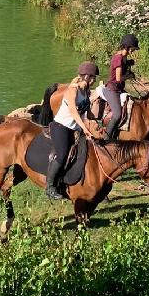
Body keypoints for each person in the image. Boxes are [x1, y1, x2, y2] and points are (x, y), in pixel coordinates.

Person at [47, 62, 100, 200]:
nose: (94, 80)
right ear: (87, 76)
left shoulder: (86, 91)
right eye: (93, 77)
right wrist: (85, 129)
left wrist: (98, 121)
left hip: (75, 128)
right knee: (63, 154)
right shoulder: (73, 91)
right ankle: (50, 186)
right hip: (61, 127)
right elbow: (74, 112)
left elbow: (88, 113)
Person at [102, 33, 139, 139]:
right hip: (112, 90)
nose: (134, 51)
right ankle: (106, 138)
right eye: (133, 48)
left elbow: (123, 65)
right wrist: (129, 76)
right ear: (127, 47)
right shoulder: (118, 59)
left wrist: (128, 63)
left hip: (119, 89)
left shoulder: (123, 57)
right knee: (117, 114)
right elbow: (118, 79)